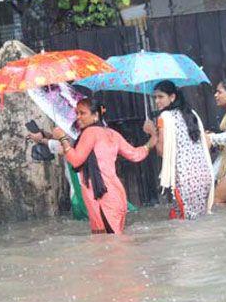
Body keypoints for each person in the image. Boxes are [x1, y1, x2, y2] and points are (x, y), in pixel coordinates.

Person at [52, 98, 157, 234]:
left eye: (82, 113)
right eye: (77, 113)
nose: (78, 117)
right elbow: (136, 155)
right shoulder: (112, 133)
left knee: (106, 244)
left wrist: (63, 138)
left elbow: (76, 160)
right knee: (114, 245)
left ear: (96, 115)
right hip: (114, 195)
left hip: (101, 196)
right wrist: (151, 141)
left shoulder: (90, 132)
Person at [142, 80, 214, 220]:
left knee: (185, 224)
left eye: (161, 97)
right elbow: (206, 142)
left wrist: (152, 133)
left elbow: (161, 151)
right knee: (201, 220)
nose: (157, 101)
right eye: (155, 97)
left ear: (172, 97)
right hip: (205, 175)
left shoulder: (164, 118)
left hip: (184, 179)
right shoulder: (192, 114)